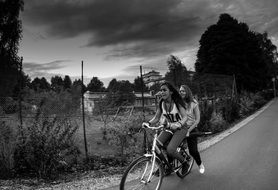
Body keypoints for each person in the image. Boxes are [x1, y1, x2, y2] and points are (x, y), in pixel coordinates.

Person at [144, 81, 188, 173]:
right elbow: (156, 118)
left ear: (171, 92)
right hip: (169, 128)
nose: (162, 92)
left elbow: (185, 117)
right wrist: (148, 123)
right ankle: (166, 165)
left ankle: (184, 162)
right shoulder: (162, 103)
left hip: (181, 128)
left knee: (170, 150)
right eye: (161, 90)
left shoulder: (177, 102)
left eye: (164, 90)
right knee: (155, 146)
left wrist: (179, 124)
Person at [179, 84, 205, 174]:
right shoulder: (178, 102)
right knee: (174, 148)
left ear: (187, 92)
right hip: (181, 128)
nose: (181, 92)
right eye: (180, 91)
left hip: (191, 128)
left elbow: (197, 120)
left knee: (193, 151)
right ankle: (183, 164)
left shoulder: (193, 103)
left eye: (183, 91)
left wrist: (188, 131)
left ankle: (200, 164)